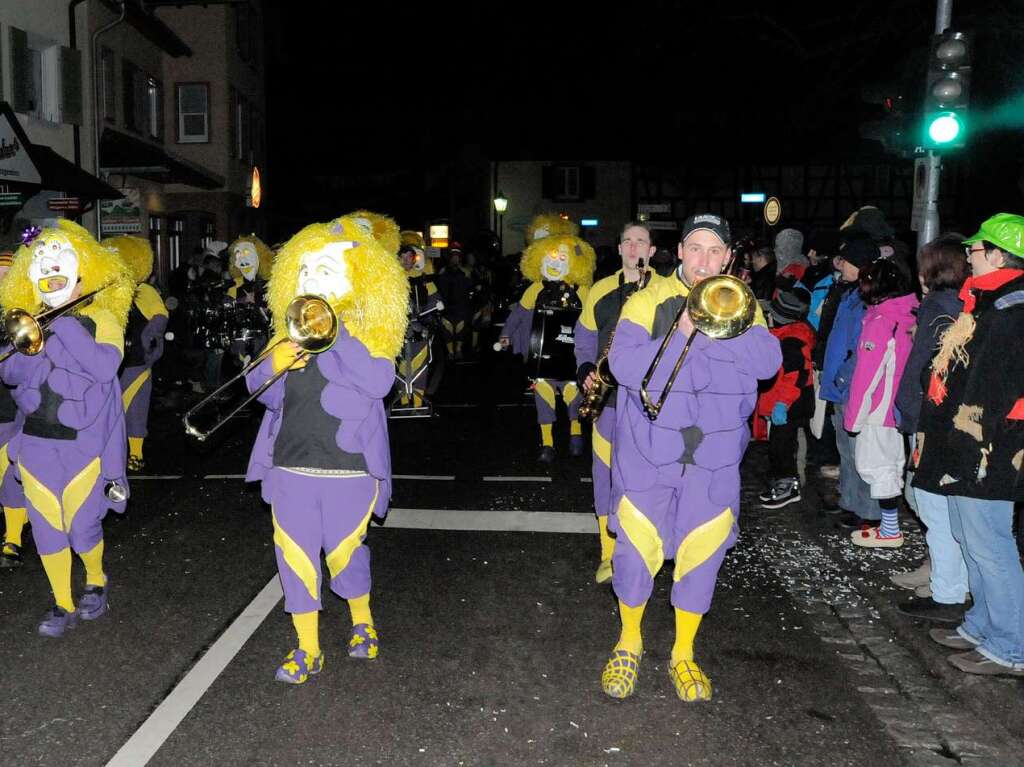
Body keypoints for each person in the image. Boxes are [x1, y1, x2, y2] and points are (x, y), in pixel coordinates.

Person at [602, 213, 781, 702]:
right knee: (636, 552)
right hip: (650, 455)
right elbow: (622, 366)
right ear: (679, 252)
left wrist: (727, 321)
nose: (704, 260)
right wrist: (681, 328)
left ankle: (684, 652)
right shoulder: (645, 301)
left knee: (703, 554)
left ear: (727, 258)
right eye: (695, 248)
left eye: (714, 251)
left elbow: (768, 366)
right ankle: (629, 642)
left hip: (715, 460)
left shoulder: (744, 306)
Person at [245, 216, 408, 684]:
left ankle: (362, 618)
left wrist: (333, 336)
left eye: (326, 271)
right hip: (291, 466)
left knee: (343, 558)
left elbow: (378, 382)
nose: (313, 281)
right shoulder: (287, 332)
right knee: (294, 557)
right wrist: (271, 365)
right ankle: (307, 647)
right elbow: (265, 396)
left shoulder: (372, 335)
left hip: (350, 470)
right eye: (306, 271)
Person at [0, 220, 133, 636]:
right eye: (41, 266)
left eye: (60, 266)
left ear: (81, 274)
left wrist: (65, 326)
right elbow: (9, 374)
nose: (50, 272)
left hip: (84, 447)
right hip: (37, 445)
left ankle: (96, 579)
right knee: (47, 529)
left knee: (82, 527)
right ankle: (62, 602)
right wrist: (33, 337)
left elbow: (104, 366)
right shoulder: (27, 322)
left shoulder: (102, 319)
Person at [913, 213, 1024, 678]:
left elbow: (993, 391)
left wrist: (968, 444)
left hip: (990, 448)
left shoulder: (1011, 309)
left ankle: (1011, 645)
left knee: (991, 544)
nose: (968, 257)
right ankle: (982, 625)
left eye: (975, 250)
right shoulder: (984, 303)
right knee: (969, 537)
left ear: (998, 255)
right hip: (966, 441)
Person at [891, 234, 968, 620]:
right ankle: (944, 575)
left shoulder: (941, 308)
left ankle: (949, 590)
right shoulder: (940, 307)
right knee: (927, 501)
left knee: (932, 504)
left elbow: (937, 371)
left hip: (929, 420)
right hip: (924, 417)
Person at [575, 222, 656, 583]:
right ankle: (608, 555)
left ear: (652, 251)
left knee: (645, 478)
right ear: (619, 248)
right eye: (628, 241)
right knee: (604, 476)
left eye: (642, 242)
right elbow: (585, 339)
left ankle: (640, 548)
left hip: (649, 402)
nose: (635, 247)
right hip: (607, 399)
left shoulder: (665, 290)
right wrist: (584, 370)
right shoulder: (602, 289)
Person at [501, 234, 595, 463]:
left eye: (562, 257)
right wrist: (506, 333)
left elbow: (594, 320)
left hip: (572, 357)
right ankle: (547, 444)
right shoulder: (535, 289)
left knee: (573, 395)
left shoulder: (581, 290)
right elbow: (519, 314)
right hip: (541, 358)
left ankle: (575, 435)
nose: (554, 263)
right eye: (549, 258)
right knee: (543, 397)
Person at [844, 258, 918, 548]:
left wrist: (854, 419)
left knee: (878, 466)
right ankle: (890, 527)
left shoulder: (880, 320)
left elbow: (867, 374)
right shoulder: (911, 312)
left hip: (879, 409)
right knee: (893, 465)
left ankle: (890, 530)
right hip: (903, 404)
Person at [819, 233, 883, 529]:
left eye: (846, 261)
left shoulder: (868, 300)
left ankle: (867, 511)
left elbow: (863, 348)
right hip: (840, 386)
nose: (840, 265)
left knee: (860, 452)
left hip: (852, 387)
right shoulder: (849, 294)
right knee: (845, 448)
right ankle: (849, 501)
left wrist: (843, 375)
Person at [102, 236, 168, 472]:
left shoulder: (144, 291)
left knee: (136, 408)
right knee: (108, 410)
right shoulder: (103, 293)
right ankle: (110, 454)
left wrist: (150, 337)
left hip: (137, 360)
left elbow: (160, 316)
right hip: (108, 360)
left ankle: (136, 453)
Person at [755, 286, 815, 509]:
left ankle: (789, 487)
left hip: (791, 405)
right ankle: (781, 483)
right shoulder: (784, 336)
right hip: (786, 404)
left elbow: (797, 376)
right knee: (778, 446)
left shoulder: (792, 341)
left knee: (782, 447)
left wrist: (782, 404)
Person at [0, 249, 28, 569]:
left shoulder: (22, 315)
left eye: (5, 275)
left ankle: (13, 539)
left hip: (10, 407)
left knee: (10, 476)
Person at [395, 233, 443, 408]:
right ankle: (403, 401)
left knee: (420, 365)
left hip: (420, 328)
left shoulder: (422, 277)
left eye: (410, 257)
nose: (407, 261)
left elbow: (435, 298)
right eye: (404, 257)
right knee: (400, 368)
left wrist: (428, 317)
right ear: (398, 258)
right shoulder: (391, 280)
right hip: (398, 331)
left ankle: (417, 403)